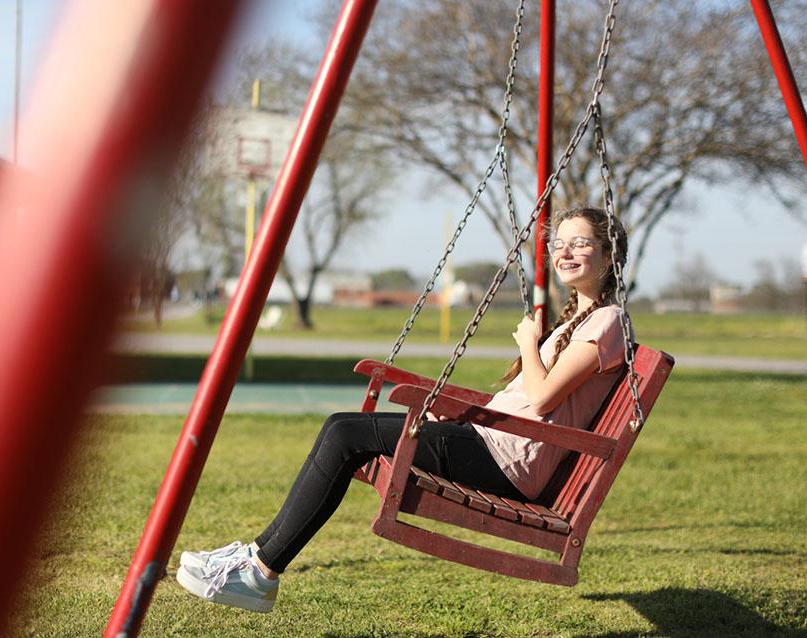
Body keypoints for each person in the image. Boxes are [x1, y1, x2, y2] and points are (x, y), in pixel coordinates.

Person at [176, 206, 632, 613]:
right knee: (341, 428)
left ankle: (260, 571)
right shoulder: (578, 319)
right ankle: (255, 559)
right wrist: (458, 414)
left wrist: (529, 343)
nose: (564, 251)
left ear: (609, 256)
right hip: (493, 442)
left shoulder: (608, 321)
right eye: (559, 243)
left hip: (508, 461)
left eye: (580, 243)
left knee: (343, 435)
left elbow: (544, 397)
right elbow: (528, 402)